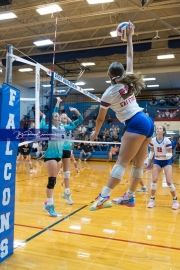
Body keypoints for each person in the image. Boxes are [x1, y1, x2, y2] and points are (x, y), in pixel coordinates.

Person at [89, 21, 154, 211]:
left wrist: (95, 133)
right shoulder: (129, 79)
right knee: (137, 165)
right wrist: (130, 37)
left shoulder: (108, 92)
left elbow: (101, 118)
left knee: (121, 163)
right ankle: (130, 197)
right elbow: (130, 56)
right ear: (122, 73)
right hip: (147, 121)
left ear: (109, 74)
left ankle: (104, 196)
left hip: (135, 123)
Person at [40, 104, 83, 217]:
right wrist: (44, 116)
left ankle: (48, 204)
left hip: (59, 156)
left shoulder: (63, 128)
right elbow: (42, 126)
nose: (58, 117)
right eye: (55, 116)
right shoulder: (49, 128)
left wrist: (76, 111)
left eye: (59, 116)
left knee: (54, 181)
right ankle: (50, 206)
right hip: (50, 156)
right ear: (52, 119)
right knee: (52, 181)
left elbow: (80, 120)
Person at [147, 126, 179, 209]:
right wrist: (149, 161)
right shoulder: (153, 140)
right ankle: (152, 200)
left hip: (167, 161)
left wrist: (161, 155)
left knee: (169, 181)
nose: (158, 129)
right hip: (157, 161)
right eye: (157, 128)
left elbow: (170, 154)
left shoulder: (167, 140)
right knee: (154, 180)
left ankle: (175, 200)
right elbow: (152, 151)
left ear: (163, 132)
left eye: (160, 128)